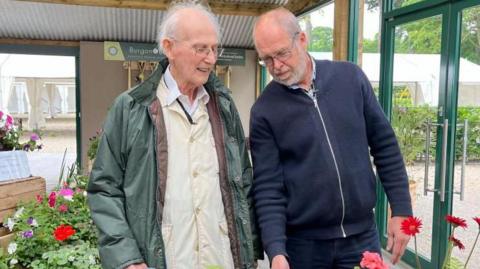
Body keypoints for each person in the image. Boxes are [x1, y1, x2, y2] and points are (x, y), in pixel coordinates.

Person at [87, 2, 262, 269]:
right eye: (200, 48)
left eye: (214, 48)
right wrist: (126, 259)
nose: (211, 59)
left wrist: (249, 253)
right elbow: (104, 188)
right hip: (163, 259)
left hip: (222, 258)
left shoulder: (224, 106)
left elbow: (244, 184)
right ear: (169, 47)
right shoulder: (131, 107)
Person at [250, 7, 412, 269]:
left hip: (362, 238)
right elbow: (268, 187)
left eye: (281, 53)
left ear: (302, 40)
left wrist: (402, 209)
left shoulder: (350, 78)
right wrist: (276, 251)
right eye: (266, 59)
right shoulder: (264, 110)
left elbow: (385, 146)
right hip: (303, 247)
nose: (276, 66)